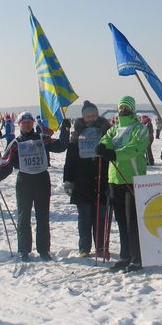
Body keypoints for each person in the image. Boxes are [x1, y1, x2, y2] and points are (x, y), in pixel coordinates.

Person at [0, 112, 70, 261]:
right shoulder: (15, 143)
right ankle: (24, 250)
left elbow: (61, 146)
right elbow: (6, 165)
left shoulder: (42, 139)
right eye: (24, 122)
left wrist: (65, 130)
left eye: (29, 122)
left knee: (43, 216)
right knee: (24, 217)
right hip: (24, 181)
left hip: (42, 179)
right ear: (19, 124)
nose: (27, 125)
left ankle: (44, 250)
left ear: (33, 123)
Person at [97, 96, 151, 272]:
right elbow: (106, 140)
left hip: (132, 179)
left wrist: (115, 154)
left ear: (132, 109)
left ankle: (137, 257)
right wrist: (102, 147)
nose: (123, 110)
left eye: (127, 107)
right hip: (114, 179)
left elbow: (135, 148)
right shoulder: (114, 129)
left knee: (132, 221)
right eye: (121, 107)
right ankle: (125, 255)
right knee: (121, 221)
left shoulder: (139, 129)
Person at [63, 101, 111, 258]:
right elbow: (70, 159)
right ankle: (84, 247)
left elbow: (113, 154)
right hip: (82, 181)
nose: (91, 118)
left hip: (102, 179)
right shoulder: (77, 134)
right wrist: (68, 180)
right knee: (84, 216)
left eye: (93, 115)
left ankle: (101, 247)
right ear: (83, 117)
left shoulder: (106, 131)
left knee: (100, 216)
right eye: (88, 115)